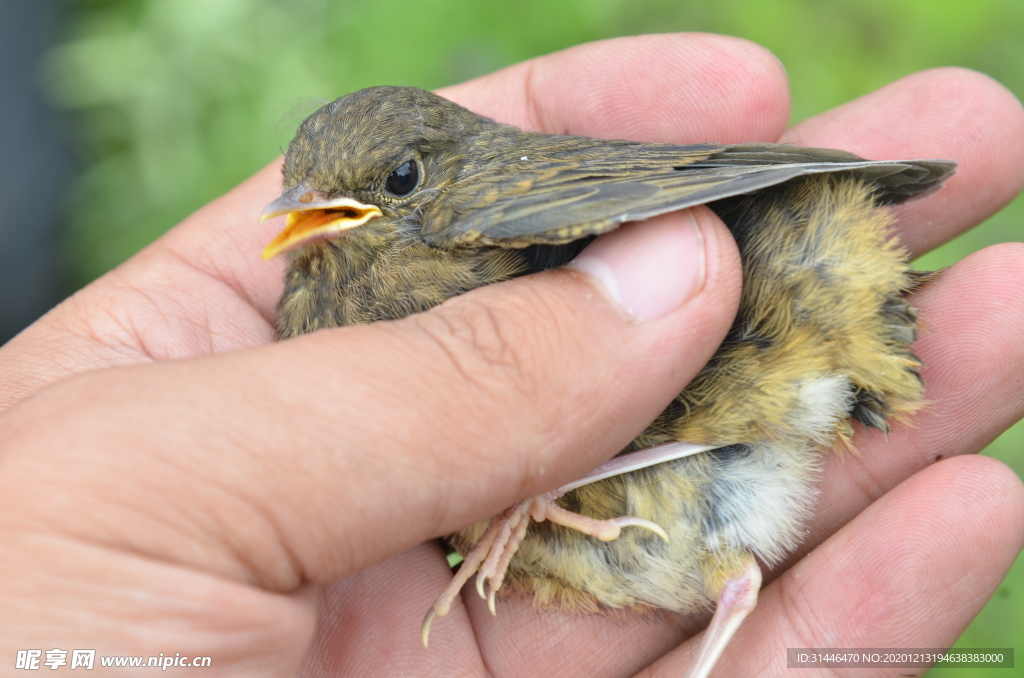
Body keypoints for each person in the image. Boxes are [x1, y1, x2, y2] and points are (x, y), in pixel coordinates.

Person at [1, 33, 1022, 676]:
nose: (313, 213)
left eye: (395, 181)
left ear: (444, 177)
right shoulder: (317, 299)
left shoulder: (480, 214)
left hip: (750, 332)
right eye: (300, 186)